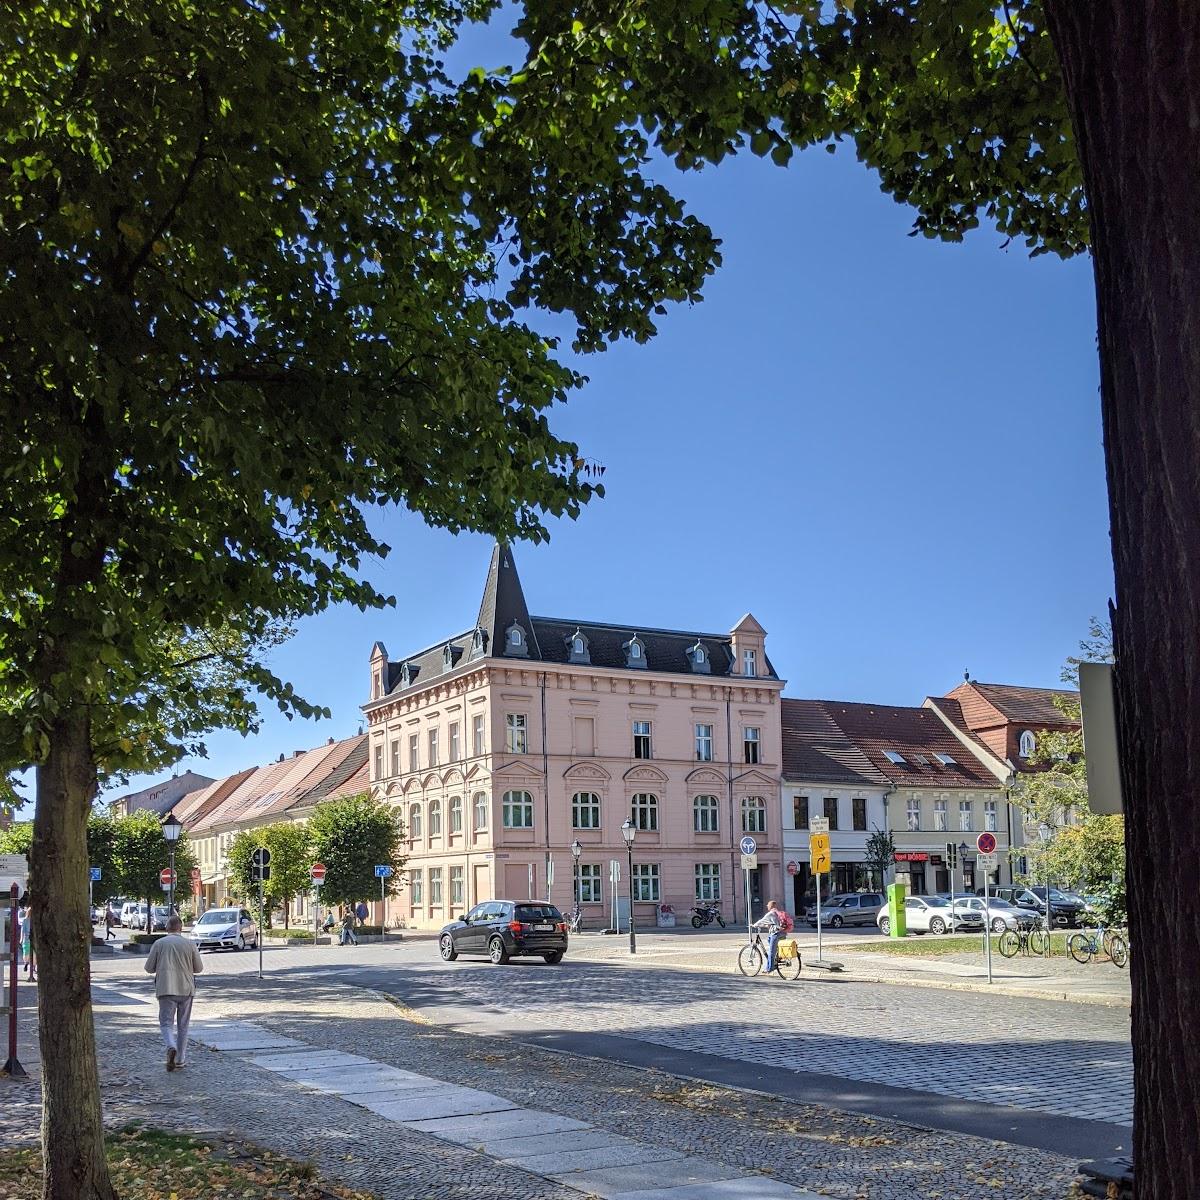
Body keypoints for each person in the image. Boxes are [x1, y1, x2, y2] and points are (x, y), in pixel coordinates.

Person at [145, 914, 204, 1071]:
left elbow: (149, 968)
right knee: (183, 1025)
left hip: (165, 988)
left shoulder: (159, 944)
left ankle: (170, 1046)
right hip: (186, 989)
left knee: (165, 1023)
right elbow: (198, 968)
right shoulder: (189, 944)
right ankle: (180, 1059)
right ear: (181, 927)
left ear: (167, 927)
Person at [752, 899, 786, 973]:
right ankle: (776, 959)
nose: (767, 906)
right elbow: (770, 923)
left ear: (771, 906)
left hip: (776, 934)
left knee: (771, 952)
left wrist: (754, 925)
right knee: (769, 940)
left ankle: (770, 968)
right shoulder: (778, 913)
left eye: (768, 905)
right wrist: (765, 925)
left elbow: (762, 920)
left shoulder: (770, 913)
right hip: (783, 933)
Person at [19, 905, 35, 982]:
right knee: (34, 954)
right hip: (33, 940)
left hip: (26, 939)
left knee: (26, 953)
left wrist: (21, 939)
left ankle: (26, 963)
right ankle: (33, 966)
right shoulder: (34, 921)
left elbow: (22, 931)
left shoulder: (25, 920)